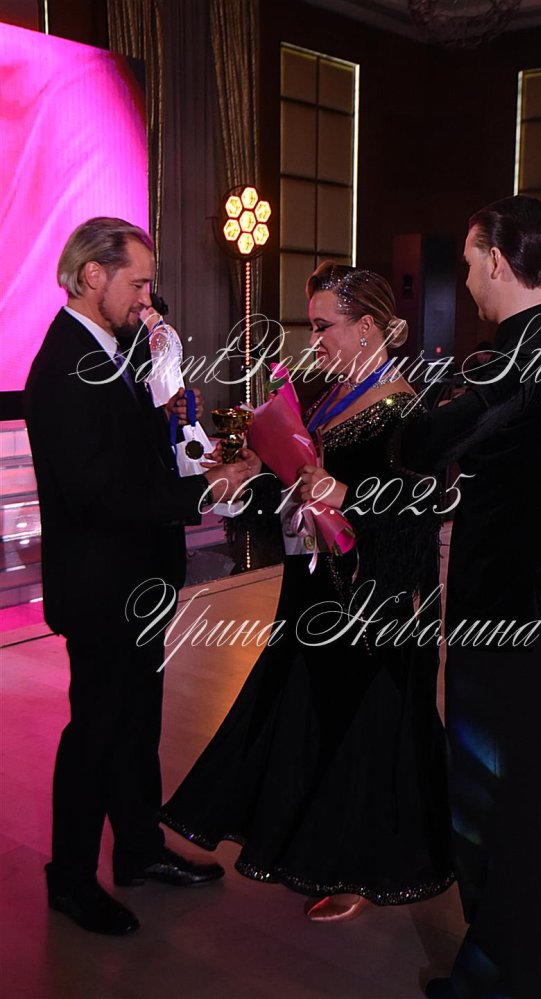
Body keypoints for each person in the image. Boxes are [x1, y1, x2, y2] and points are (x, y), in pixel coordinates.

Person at [160, 262, 455, 921]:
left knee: (368, 725)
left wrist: (347, 494)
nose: (314, 339)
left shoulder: (405, 407)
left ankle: (362, 867)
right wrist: (246, 466)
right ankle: (312, 841)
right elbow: (292, 465)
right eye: (312, 325)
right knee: (307, 711)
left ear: (368, 326)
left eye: (325, 326)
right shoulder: (330, 394)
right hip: (316, 587)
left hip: (374, 599)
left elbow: (422, 509)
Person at [23, 217, 257, 936]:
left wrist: (182, 436)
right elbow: (99, 491)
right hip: (100, 586)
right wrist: (203, 490)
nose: (148, 296)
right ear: (92, 275)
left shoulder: (111, 350)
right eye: (140, 281)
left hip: (134, 580)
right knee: (95, 731)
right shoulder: (66, 364)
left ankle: (138, 848)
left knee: (135, 724)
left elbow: (134, 456)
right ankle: (69, 879)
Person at [413, 196, 541, 999]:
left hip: (507, 617)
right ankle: (520, 977)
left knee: (492, 808)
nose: (465, 278)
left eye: (468, 261)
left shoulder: (513, 360)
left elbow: (423, 442)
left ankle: (496, 983)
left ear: (496, 259)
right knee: (533, 803)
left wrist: (393, 401)